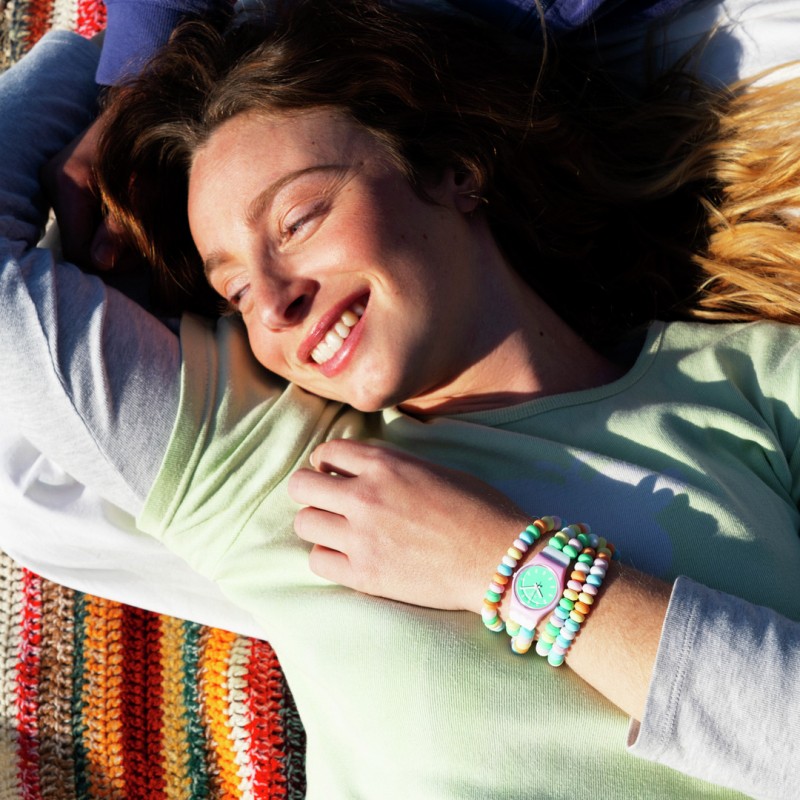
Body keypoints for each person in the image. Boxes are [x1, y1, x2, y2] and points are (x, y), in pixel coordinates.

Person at [2, 2, 800, 798]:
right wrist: (114, 70)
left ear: (454, 169)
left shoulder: (758, 382)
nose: (272, 302)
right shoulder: (266, 467)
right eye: (235, 289)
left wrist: (502, 563)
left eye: (299, 220)